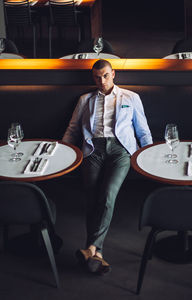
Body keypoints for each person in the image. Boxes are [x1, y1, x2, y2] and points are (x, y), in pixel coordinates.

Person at [62, 59, 153, 275]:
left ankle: (91, 247)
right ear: (92, 78)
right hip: (93, 148)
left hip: (121, 149)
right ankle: (97, 254)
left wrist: (149, 155)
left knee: (108, 193)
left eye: (105, 76)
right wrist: (62, 151)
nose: (101, 81)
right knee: (92, 196)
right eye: (97, 77)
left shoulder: (131, 97)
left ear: (113, 75)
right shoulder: (85, 100)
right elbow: (73, 128)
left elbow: (143, 130)